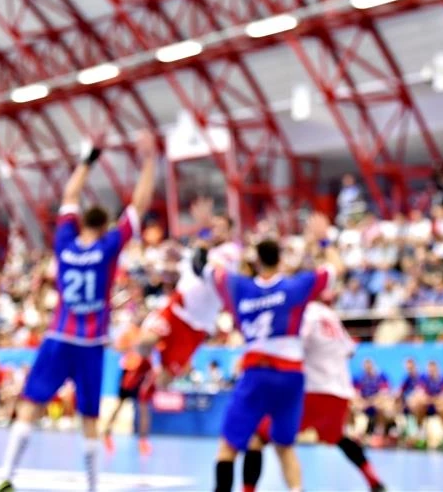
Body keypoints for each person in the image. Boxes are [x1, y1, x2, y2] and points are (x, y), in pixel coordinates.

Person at [0, 133, 157, 492]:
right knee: (89, 416)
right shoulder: (109, 248)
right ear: (104, 228)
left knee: (31, 404)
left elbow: (69, 196)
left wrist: (88, 160)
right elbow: (139, 206)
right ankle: (92, 486)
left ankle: (6, 476)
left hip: (57, 337)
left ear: (83, 223)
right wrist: (148, 161)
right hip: (90, 343)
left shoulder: (65, 243)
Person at [211, 214, 342, 492]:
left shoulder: (240, 288)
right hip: (291, 375)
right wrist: (322, 239)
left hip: (257, 371)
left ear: (256, 261)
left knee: (228, 448)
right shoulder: (297, 286)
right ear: (281, 260)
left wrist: (216, 232)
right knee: (285, 447)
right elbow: (335, 267)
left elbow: (213, 269)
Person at [242, 299, 385, 492]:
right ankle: (374, 480)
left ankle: (253, 489)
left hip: (310, 392)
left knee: (259, 437)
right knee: (338, 437)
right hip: (338, 395)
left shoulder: (303, 314)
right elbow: (350, 351)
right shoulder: (331, 316)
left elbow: (293, 347)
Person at [137, 202, 241, 396]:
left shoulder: (230, 251)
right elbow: (185, 269)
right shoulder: (200, 246)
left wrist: (202, 234)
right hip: (177, 307)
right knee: (144, 343)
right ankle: (141, 373)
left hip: (197, 325)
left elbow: (201, 267)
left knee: (166, 379)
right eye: (214, 226)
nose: (216, 231)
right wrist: (167, 266)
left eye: (220, 228)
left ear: (229, 232)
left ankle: (150, 402)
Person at [103, 313, 153, 455]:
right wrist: (132, 348)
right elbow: (117, 348)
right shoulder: (129, 332)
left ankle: (143, 441)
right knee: (120, 404)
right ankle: (107, 433)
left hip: (142, 373)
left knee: (143, 407)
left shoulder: (148, 333)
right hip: (128, 372)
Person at [408, 360, 443, 450]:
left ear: (437, 368)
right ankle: (421, 433)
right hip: (429, 405)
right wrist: (433, 400)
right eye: (429, 369)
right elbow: (420, 395)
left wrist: (432, 400)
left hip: (440, 406)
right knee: (418, 405)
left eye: (433, 368)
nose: (431, 370)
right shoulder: (423, 379)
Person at [353, 359, 396, 446]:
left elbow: (384, 393)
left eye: (369, 365)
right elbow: (355, 394)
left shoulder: (381, 376)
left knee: (384, 405)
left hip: (376, 404)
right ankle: (355, 432)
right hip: (364, 405)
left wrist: (371, 402)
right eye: (365, 365)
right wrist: (362, 402)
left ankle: (379, 432)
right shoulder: (359, 378)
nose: (367, 367)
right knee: (352, 405)